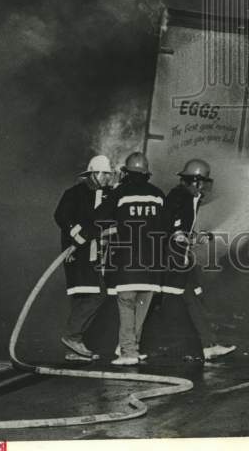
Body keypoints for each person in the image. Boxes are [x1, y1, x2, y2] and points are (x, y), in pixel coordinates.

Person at [162, 158, 236, 362]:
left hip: (182, 257)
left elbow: (182, 229)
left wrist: (195, 236)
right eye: (201, 182)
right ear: (194, 181)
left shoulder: (190, 199)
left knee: (194, 298)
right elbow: (170, 225)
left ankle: (208, 345)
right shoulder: (179, 196)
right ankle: (131, 345)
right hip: (172, 258)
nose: (203, 187)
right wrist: (181, 235)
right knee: (164, 300)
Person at [100, 151, 165, 366]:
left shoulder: (120, 193)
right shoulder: (157, 195)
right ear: (147, 173)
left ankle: (128, 352)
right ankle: (131, 347)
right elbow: (165, 228)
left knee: (126, 305)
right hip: (153, 265)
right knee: (141, 308)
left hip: (127, 263)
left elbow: (101, 217)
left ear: (126, 172)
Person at [53, 154, 114, 360]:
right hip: (78, 254)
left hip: (98, 254)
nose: (107, 178)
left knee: (88, 295)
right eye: (104, 174)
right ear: (93, 173)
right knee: (94, 294)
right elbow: (61, 216)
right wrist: (76, 237)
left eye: (109, 174)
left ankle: (73, 348)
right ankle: (73, 337)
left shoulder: (108, 195)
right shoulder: (74, 194)